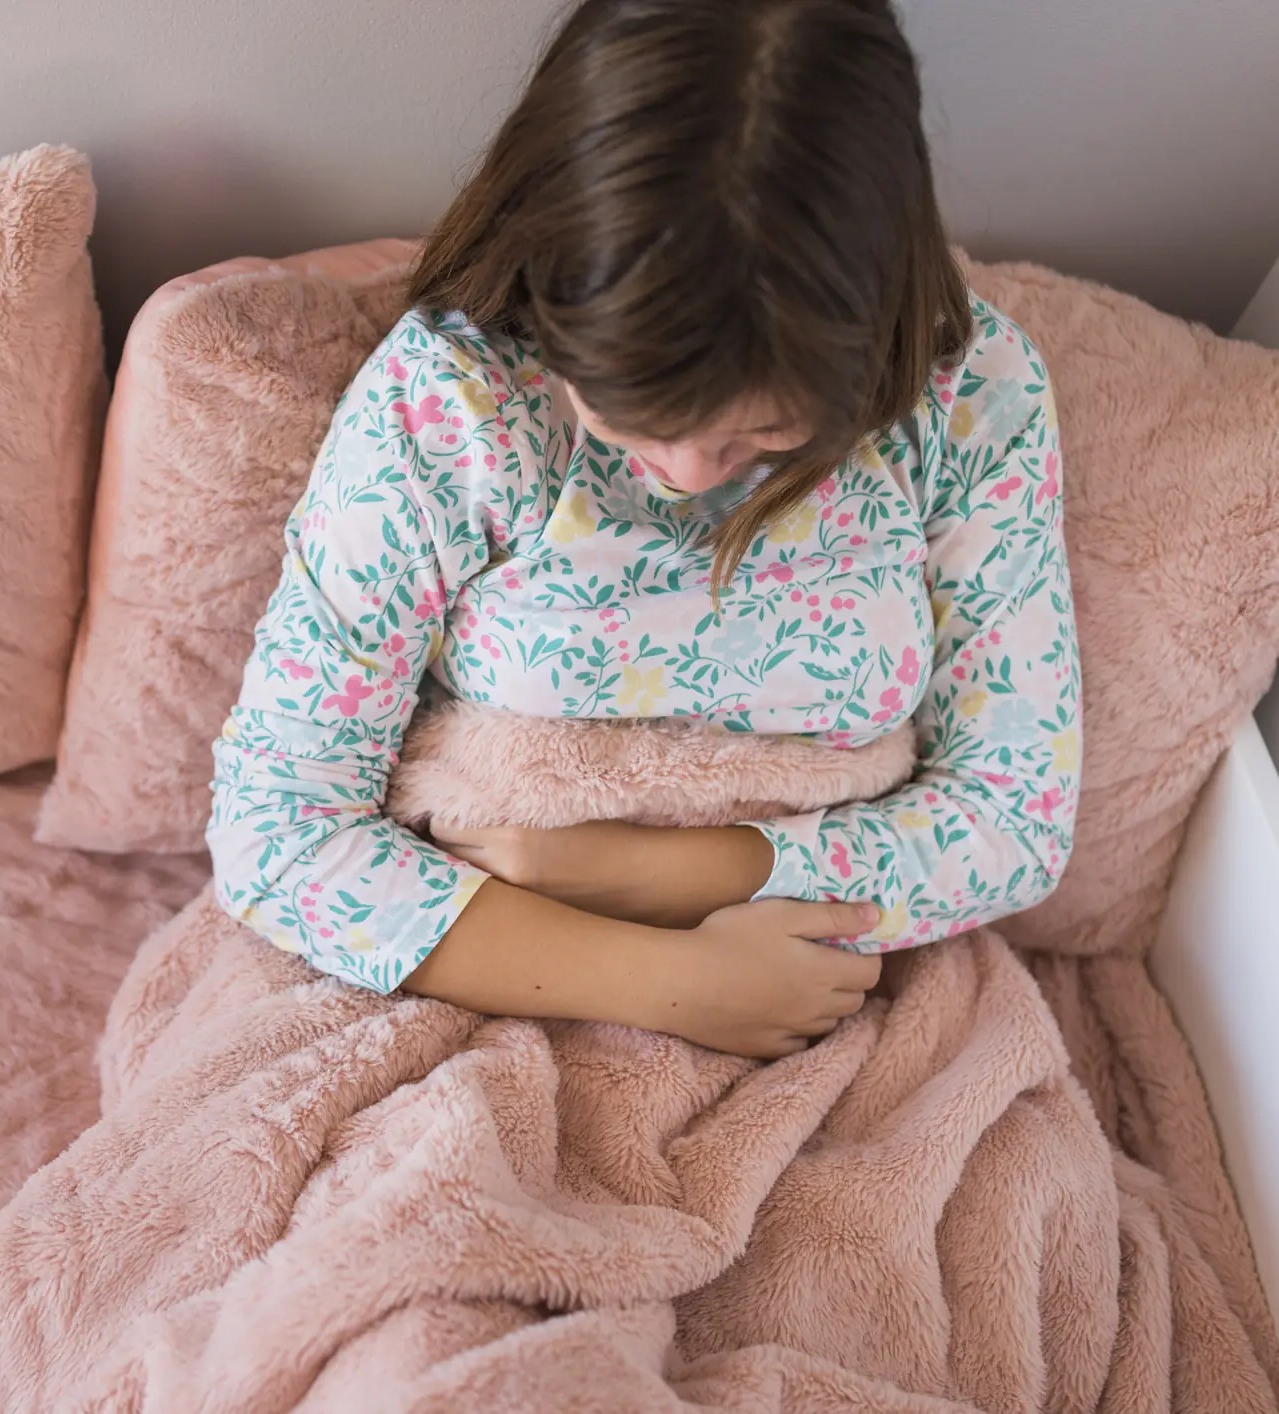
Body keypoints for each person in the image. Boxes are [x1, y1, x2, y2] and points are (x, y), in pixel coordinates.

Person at [205, 0, 1079, 1059]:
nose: (687, 474)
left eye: (761, 434)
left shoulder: (969, 396)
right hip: (463, 958)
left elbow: (1013, 820)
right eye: (629, 417)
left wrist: (651, 870)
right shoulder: (457, 401)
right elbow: (279, 832)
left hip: (820, 970)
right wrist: (665, 982)